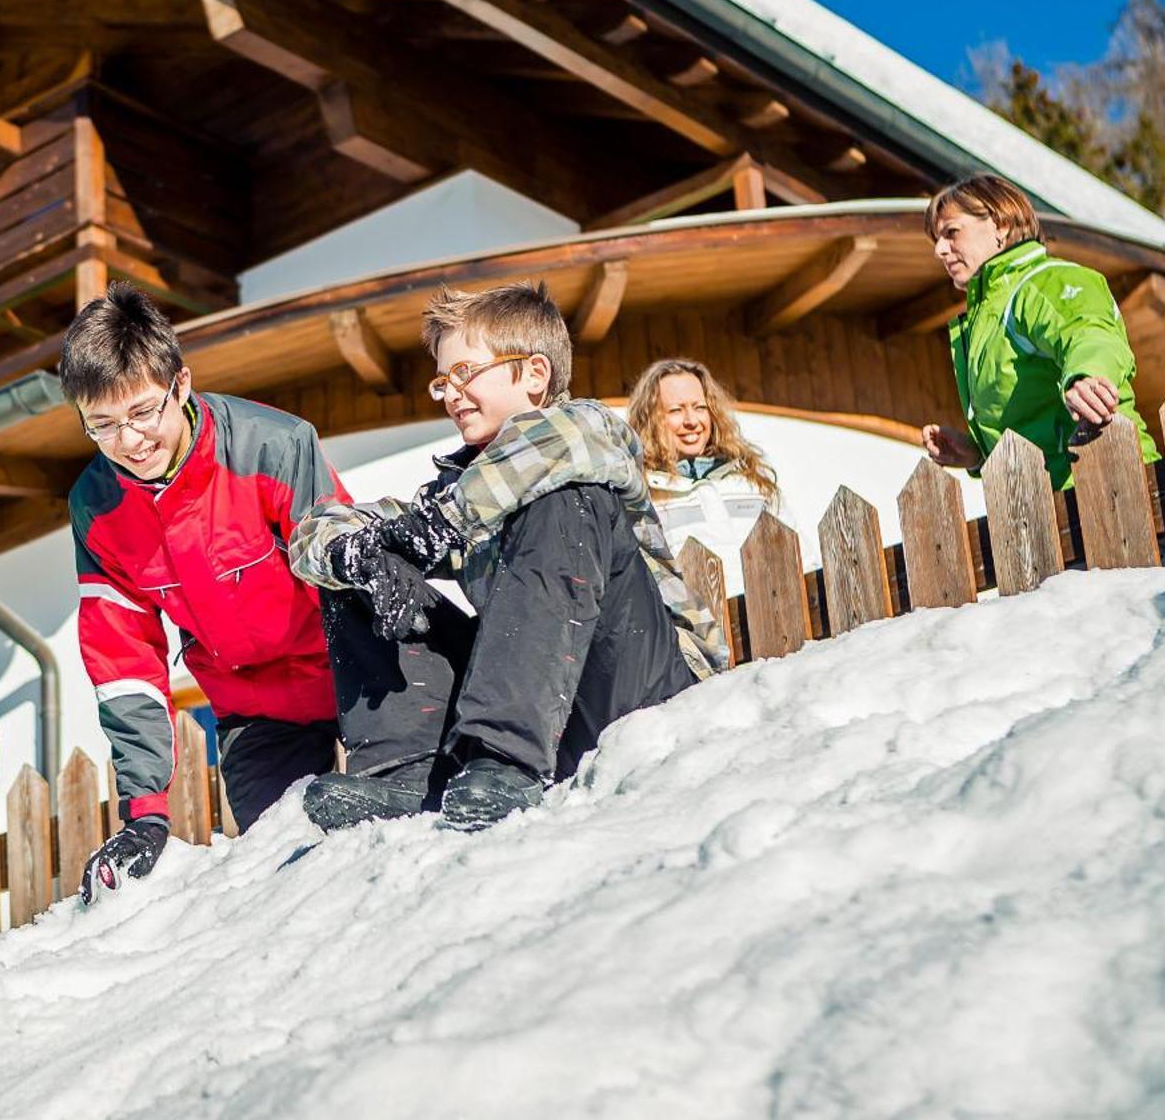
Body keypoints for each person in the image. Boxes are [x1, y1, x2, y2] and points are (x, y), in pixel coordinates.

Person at [289, 282, 727, 831]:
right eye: (443, 381)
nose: (451, 394)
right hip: (549, 710)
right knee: (365, 568)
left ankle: (505, 758)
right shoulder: (464, 490)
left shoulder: (586, 434)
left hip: (644, 690)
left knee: (561, 497)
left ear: (536, 375)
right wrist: (363, 556)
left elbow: (561, 445)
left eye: (466, 373)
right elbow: (316, 529)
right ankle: (408, 775)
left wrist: (433, 528)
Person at [61, 284, 360, 899]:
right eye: (104, 425)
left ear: (181, 384)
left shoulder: (272, 446)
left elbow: (344, 581)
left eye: (143, 412)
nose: (130, 441)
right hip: (256, 707)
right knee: (284, 878)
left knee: (404, 840)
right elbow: (124, 661)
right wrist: (145, 814)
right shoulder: (97, 506)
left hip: (351, 675)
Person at [919, 173, 1159, 489]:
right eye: (936, 239)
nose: (940, 250)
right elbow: (1032, 425)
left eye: (951, 232)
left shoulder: (1042, 282)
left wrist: (1086, 375)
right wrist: (978, 456)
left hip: (1116, 485)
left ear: (1000, 226)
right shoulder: (984, 322)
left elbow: (1090, 332)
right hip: (1052, 511)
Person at [627, 358, 788, 562]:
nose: (691, 421)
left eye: (700, 407)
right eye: (676, 410)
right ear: (649, 420)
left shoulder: (753, 481)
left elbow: (800, 556)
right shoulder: (641, 496)